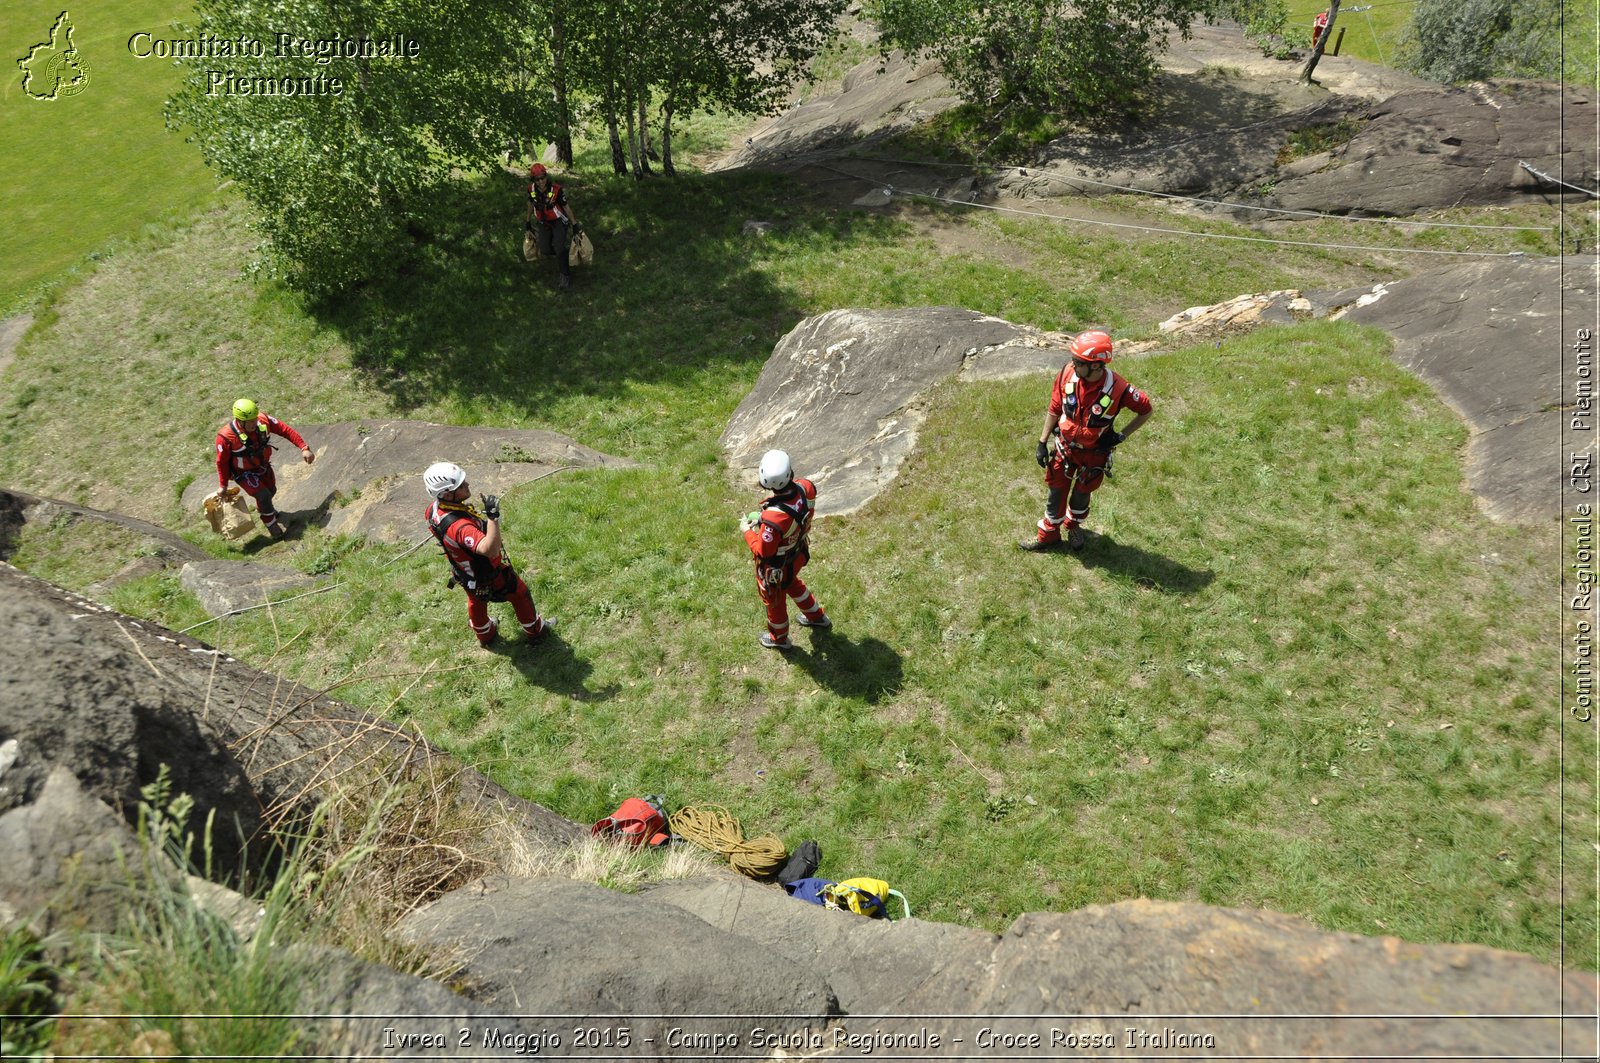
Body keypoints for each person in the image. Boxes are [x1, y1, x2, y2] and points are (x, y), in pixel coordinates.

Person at [1022, 330, 1153, 551]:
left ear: (1096, 365)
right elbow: (1055, 408)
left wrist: (1120, 436)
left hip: (1094, 455)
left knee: (1082, 494)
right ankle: (1048, 535)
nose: (1073, 364)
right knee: (1055, 492)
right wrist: (1042, 442)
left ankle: (1073, 526)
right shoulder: (1067, 374)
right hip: (1064, 448)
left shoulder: (1119, 389)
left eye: (1078, 362)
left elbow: (1146, 410)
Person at [423, 462, 553, 648]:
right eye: (460, 485)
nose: (467, 484)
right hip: (487, 573)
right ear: (446, 494)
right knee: (519, 593)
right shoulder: (460, 527)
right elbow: (489, 549)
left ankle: (485, 635)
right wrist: (493, 518)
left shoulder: (433, 510)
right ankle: (535, 630)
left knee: (476, 600)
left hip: (463, 572)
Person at [742, 449, 830, 650]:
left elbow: (764, 551)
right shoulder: (806, 487)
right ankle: (816, 616)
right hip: (798, 554)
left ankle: (779, 639)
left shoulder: (774, 520)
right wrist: (764, 518)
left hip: (777, 568)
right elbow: (793, 514)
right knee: (793, 584)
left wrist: (747, 531)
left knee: (775, 602)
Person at [214, 398, 314, 539]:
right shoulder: (225, 437)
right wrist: (223, 485)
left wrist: (304, 447)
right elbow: (222, 463)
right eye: (249, 421)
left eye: (254, 419)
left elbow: (285, 430)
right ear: (239, 421)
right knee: (263, 495)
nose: (254, 423)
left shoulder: (263, 420)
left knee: (271, 491)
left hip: (263, 467)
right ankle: (270, 523)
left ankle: (265, 509)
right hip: (243, 473)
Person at [523, 162, 581, 290]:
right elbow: (531, 204)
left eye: (542, 178)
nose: (541, 181)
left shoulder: (556, 190)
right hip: (543, 222)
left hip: (559, 220)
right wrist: (528, 222)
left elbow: (566, 206)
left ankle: (565, 275)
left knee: (559, 247)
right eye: (537, 179)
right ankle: (564, 256)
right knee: (545, 249)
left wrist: (574, 224)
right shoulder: (531, 189)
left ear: (546, 176)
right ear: (534, 180)